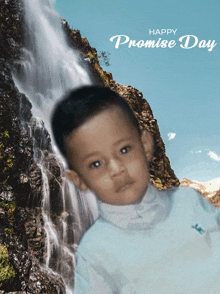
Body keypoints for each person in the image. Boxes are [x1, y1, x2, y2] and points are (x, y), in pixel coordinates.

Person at [51, 86, 220, 294]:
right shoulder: (95, 252)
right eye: (96, 164)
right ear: (78, 179)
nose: (116, 169)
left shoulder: (189, 200)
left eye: (124, 150)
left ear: (146, 146)